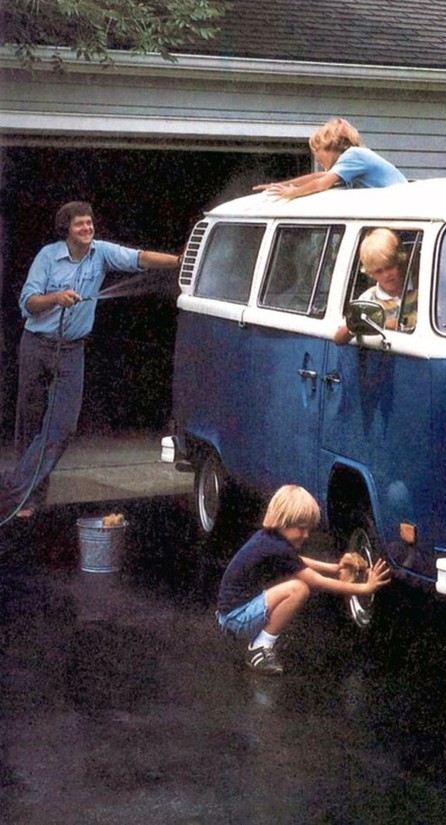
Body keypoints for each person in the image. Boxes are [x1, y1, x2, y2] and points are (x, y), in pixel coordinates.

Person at [0, 201, 182, 522]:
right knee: (31, 422)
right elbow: (27, 303)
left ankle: (12, 491)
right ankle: (29, 499)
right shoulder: (47, 257)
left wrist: (181, 261)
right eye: (79, 224)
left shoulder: (102, 252)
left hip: (71, 350)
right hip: (36, 345)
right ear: (66, 230)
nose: (87, 228)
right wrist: (56, 298)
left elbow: (139, 258)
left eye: (89, 223)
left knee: (62, 428)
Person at [216, 484, 391, 675]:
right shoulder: (276, 547)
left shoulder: (268, 539)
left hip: (231, 614)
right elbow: (318, 581)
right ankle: (259, 648)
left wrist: (333, 568)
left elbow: (297, 561)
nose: (306, 535)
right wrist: (366, 588)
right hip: (236, 619)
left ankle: (260, 640)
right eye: (301, 528)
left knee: (293, 584)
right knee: (298, 589)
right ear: (283, 521)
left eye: (308, 529)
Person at [254, 117, 406, 199]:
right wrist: (280, 185)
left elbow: (321, 183)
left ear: (330, 145)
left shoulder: (353, 155)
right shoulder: (353, 161)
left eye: (317, 151)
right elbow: (319, 176)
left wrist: (292, 193)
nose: (316, 158)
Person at [333, 228, 417, 344]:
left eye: (389, 267)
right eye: (378, 271)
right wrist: (362, 322)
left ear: (400, 262)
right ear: (370, 274)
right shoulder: (369, 299)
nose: (386, 275)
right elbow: (338, 339)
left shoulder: (421, 291)